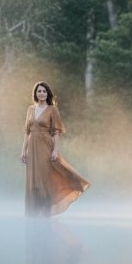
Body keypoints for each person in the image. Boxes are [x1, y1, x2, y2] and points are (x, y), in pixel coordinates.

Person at [20, 82, 89, 216]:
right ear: (35, 93)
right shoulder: (30, 109)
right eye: (39, 91)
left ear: (48, 94)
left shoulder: (52, 109)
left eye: (44, 91)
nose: (41, 93)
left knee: (45, 179)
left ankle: (46, 211)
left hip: (46, 145)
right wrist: (24, 150)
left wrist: (55, 150)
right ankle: (33, 212)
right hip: (32, 147)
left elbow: (56, 132)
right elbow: (27, 132)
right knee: (33, 180)